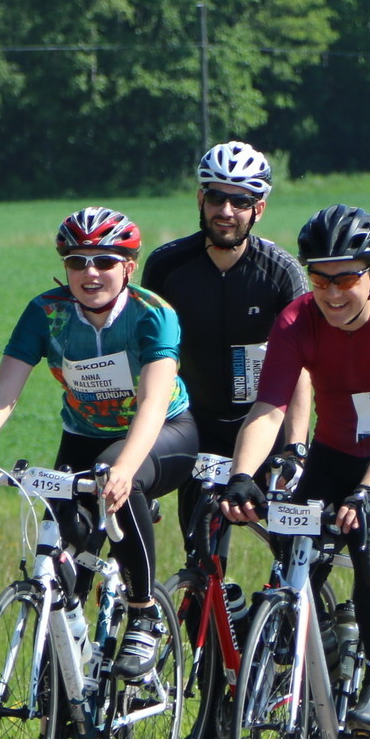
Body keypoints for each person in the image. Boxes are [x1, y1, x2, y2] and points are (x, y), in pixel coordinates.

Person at [0, 207, 199, 739]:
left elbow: (154, 401)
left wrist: (126, 467)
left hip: (163, 434)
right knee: (62, 583)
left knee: (115, 479)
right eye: (78, 261)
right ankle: (56, 738)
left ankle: (143, 613)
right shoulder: (47, 313)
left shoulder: (153, 314)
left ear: (129, 266)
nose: (90, 272)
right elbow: (4, 392)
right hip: (82, 439)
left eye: (105, 260)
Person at [219, 205, 370, 736]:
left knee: (369, 535)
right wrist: (242, 475)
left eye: (346, 279)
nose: (333, 293)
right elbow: (269, 408)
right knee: (291, 544)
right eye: (320, 279)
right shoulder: (296, 320)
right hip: (335, 451)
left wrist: (368, 492)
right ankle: (319, 653)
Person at [141, 141, 311, 539]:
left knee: (291, 551)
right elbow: (146, 357)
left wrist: (296, 448)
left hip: (264, 422)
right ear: (201, 199)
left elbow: (302, 367)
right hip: (193, 424)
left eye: (241, 201)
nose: (227, 211)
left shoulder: (282, 272)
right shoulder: (166, 266)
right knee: (200, 549)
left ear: (258, 209)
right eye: (217, 198)